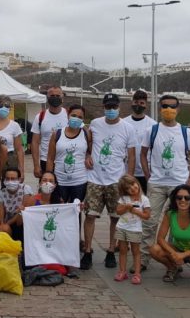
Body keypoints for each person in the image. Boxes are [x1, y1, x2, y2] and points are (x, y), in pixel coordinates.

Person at [139, 94, 190, 271]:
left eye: (172, 107)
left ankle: (174, 260)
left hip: (179, 184)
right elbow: (143, 154)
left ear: (178, 109)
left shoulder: (185, 132)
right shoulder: (152, 130)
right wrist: (148, 175)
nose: (169, 110)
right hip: (156, 183)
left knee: (175, 224)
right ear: (160, 108)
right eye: (165, 106)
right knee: (149, 222)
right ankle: (143, 259)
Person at [83, 94, 136, 270]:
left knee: (115, 217)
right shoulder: (96, 124)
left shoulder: (127, 128)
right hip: (95, 178)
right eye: (108, 107)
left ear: (119, 107)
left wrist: (128, 180)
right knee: (90, 215)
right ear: (103, 107)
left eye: (114, 107)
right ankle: (88, 251)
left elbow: (131, 155)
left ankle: (111, 251)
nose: (111, 110)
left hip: (116, 180)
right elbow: (87, 144)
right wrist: (88, 155)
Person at [150, 185, 190, 287]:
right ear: (174, 199)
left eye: (187, 198)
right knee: (154, 249)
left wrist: (183, 255)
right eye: (179, 197)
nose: (182, 200)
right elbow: (160, 239)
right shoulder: (170, 214)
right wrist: (174, 253)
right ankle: (172, 268)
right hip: (177, 249)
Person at [47, 104, 90, 205]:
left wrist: (88, 156)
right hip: (60, 181)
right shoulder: (57, 134)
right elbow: (50, 158)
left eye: (80, 117)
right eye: (74, 115)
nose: (76, 119)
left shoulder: (86, 133)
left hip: (80, 182)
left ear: (83, 119)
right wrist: (49, 179)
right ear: (68, 115)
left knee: (76, 212)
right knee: (58, 211)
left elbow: (91, 151)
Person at [114, 175, 151, 285]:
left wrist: (134, 211)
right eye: (128, 188)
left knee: (136, 251)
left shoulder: (144, 199)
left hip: (135, 229)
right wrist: (126, 207)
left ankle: (137, 273)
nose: (133, 188)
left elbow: (147, 215)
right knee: (122, 250)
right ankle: (122, 271)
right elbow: (118, 211)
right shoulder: (124, 199)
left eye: (133, 184)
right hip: (122, 227)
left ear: (137, 183)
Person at [123, 90, 156, 193]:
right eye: (136, 102)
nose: (138, 105)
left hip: (146, 173)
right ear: (132, 103)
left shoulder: (152, 124)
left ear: (146, 105)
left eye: (141, 103)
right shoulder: (123, 123)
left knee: (146, 203)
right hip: (127, 172)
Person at [31, 85, 67, 178]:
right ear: (47, 97)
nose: (55, 98)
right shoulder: (40, 117)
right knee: (46, 189)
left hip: (64, 160)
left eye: (57, 96)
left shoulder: (69, 115)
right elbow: (35, 142)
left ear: (62, 97)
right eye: (52, 96)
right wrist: (36, 165)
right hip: (45, 160)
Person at [0, 166, 34, 240]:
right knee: (3, 229)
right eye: (7, 179)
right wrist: (3, 225)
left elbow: (23, 209)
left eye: (13, 179)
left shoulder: (26, 189)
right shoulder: (1, 193)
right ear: (4, 180)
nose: (10, 181)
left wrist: (7, 224)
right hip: (8, 222)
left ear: (19, 179)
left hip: (21, 222)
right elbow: (1, 214)